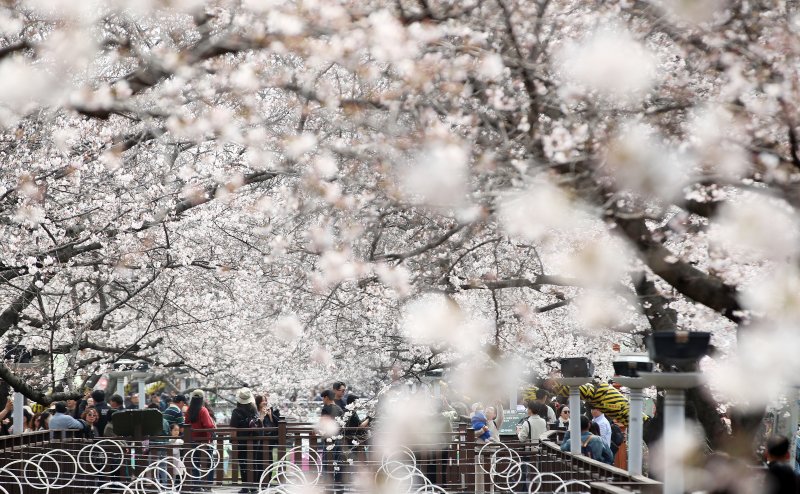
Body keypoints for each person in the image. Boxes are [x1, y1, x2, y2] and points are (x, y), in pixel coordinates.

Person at [230, 387, 261, 493]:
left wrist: (233, 441)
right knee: (254, 462)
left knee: (243, 463)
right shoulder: (254, 410)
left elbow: (233, 430)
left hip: (242, 441)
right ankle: (254, 487)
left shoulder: (236, 412)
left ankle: (245, 487)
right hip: (255, 440)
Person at [185, 389, 216, 488]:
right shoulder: (203, 410)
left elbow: (186, 424)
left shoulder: (189, 410)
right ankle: (208, 485)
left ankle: (196, 485)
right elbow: (208, 425)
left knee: (195, 463)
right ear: (202, 399)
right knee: (210, 464)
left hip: (192, 441)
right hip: (204, 442)